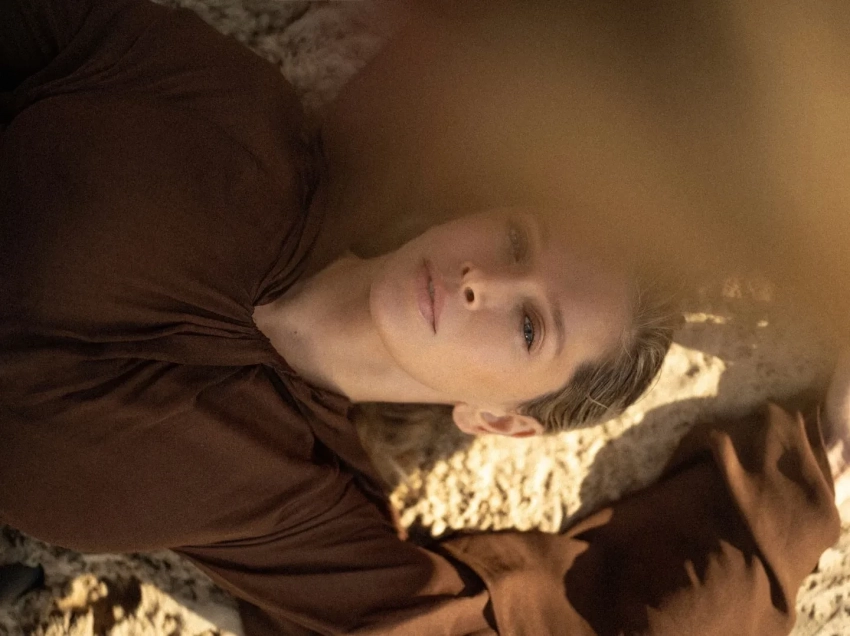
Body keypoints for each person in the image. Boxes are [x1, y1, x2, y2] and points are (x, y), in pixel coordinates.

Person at [0, 0, 844, 634]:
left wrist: (823, 462)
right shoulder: (236, 115)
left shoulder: (300, 506)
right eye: (515, 240)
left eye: (529, 327)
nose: (482, 283)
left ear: (501, 421)